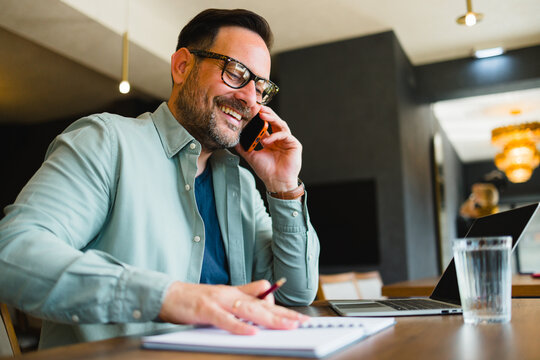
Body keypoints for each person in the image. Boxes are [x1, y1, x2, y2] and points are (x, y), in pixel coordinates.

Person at [0, 9, 319, 349]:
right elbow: (12, 252)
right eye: (236, 72)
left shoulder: (240, 182)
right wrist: (170, 297)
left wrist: (283, 187)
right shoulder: (105, 142)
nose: (249, 99)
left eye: (260, 87)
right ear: (182, 66)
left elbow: (296, 292)